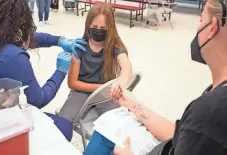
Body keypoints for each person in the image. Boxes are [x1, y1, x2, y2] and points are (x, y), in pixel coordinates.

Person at [84, 0, 227, 154]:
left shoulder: (209, 113)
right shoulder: (214, 99)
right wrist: (134, 105)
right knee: (111, 122)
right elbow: (180, 134)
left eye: (200, 19)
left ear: (212, 28)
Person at [0, 0, 86, 142]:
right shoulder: (12, 56)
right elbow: (37, 100)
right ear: (20, 29)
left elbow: (30, 38)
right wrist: (60, 71)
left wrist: (59, 40)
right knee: (64, 127)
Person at [56, 3, 132, 123]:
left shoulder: (114, 46)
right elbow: (72, 83)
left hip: (106, 94)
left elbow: (126, 65)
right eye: (95, 27)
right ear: (88, 25)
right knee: (62, 121)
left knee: (114, 125)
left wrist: (121, 81)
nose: (98, 31)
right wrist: (99, 88)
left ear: (110, 29)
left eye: (103, 29)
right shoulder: (79, 47)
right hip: (81, 92)